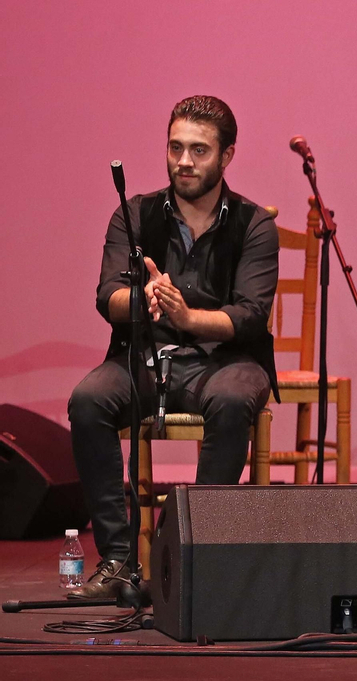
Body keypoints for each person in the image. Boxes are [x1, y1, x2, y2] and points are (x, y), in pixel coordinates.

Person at [67, 95, 279, 599]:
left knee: (232, 401)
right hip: (141, 356)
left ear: (226, 156)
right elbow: (107, 297)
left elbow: (250, 315)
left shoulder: (254, 224)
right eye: (176, 147)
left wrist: (188, 317)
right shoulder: (134, 214)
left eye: (199, 150)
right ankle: (118, 559)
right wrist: (142, 301)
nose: (184, 161)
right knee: (88, 399)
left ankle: (194, 557)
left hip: (225, 360)